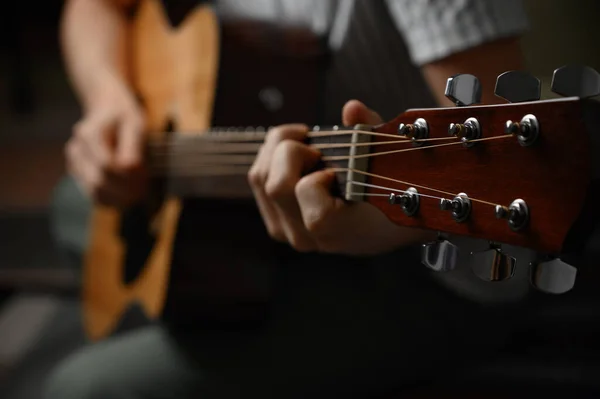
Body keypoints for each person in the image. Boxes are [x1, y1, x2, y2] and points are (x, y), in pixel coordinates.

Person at [45, 0, 532, 398]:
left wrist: (381, 226)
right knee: (75, 203)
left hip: (431, 268)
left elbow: (511, 169)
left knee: (79, 388)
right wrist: (110, 97)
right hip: (259, 215)